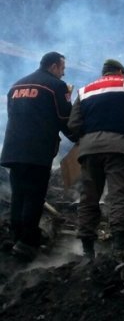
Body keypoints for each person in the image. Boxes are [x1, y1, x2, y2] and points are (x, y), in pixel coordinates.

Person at [68, 59, 124, 258]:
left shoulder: (84, 90)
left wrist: (85, 139)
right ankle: (119, 244)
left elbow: (73, 124)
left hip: (88, 150)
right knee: (118, 193)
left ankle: (87, 247)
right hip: (118, 147)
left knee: (89, 196)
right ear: (121, 71)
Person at [1, 52, 74, 261]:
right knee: (34, 195)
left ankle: (16, 237)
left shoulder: (16, 86)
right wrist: (78, 137)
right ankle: (28, 243)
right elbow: (64, 118)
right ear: (53, 67)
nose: (63, 73)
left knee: (19, 195)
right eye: (62, 68)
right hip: (37, 151)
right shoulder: (56, 86)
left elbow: (15, 115)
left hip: (13, 151)